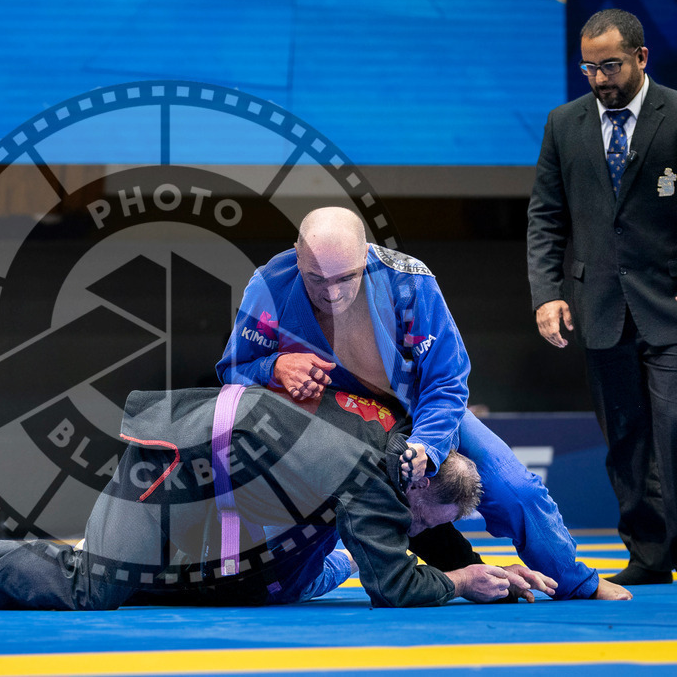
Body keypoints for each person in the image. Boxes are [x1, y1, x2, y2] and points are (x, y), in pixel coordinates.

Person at [216, 206, 630, 600]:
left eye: (345, 277)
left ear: (367, 255)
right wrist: (275, 366)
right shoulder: (271, 284)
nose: (332, 292)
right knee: (297, 571)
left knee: (517, 490)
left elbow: (446, 381)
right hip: (337, 425)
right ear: (296, 254)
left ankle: (574, 582)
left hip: (420, 410)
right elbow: (233, 372)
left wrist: (428, 445)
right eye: (316, 279)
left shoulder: (408, 282)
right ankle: (362, 567)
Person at [0, 386, 555, 611]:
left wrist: (463, 562)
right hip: (174, 463)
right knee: (100, 587)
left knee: (272, 573)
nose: (412, 531)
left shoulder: (381, 455)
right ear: (413, 486)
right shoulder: (370, 478)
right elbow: (395, 585)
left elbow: (411, 531)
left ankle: (112, 545)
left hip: (205, 479)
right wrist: (459, 580)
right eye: (417, 521)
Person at [527, 8, 677, 586]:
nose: (598, 78)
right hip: (601, 309)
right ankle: (649, 555)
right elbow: (546, 217)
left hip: (668, 307)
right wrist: (546, 293)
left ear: (641, 58)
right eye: (588, 67)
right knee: (625, 439)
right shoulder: (564, 123)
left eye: (609, 65)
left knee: (673, 428)